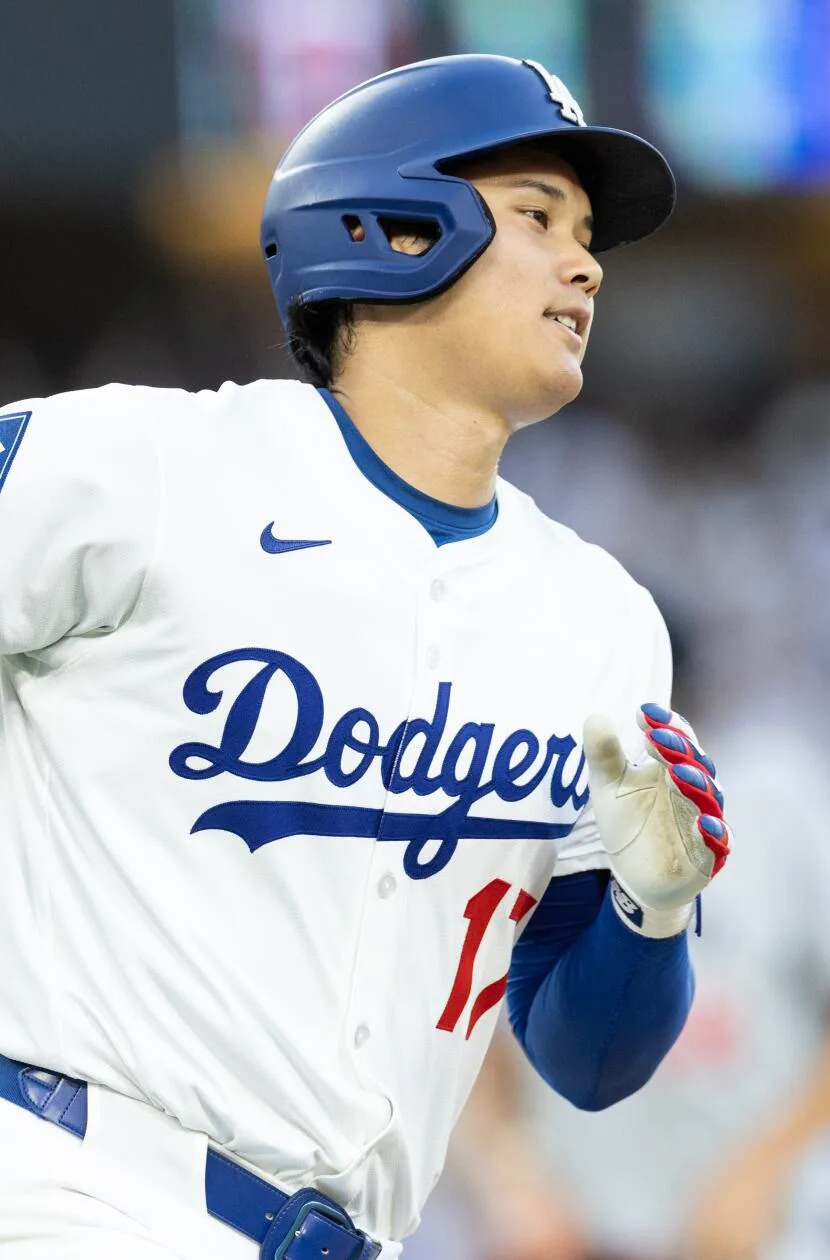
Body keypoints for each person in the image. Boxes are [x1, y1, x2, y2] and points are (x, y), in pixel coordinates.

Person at [0, 54, 731, 1260]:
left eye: (587, 236)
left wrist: (651, 912)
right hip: (72, 1191)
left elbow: (590, 1064)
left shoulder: (600, 617)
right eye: (539, 216)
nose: (587, 265)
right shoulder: (146, 466)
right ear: (395, 229)